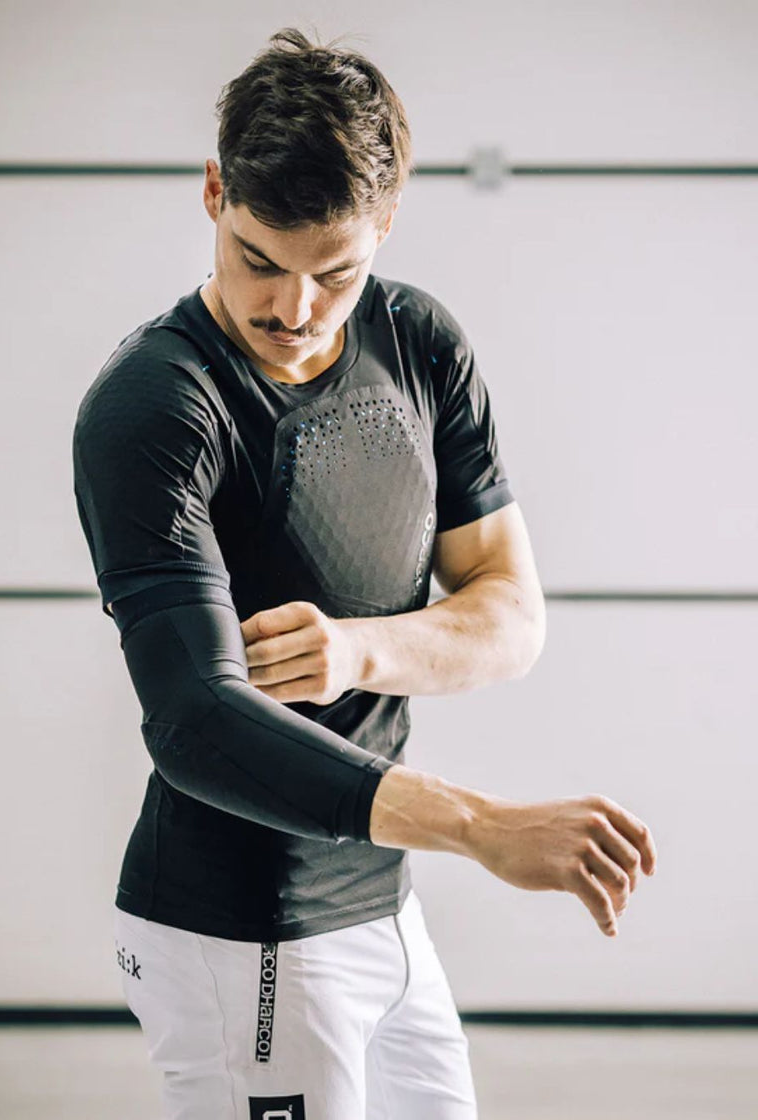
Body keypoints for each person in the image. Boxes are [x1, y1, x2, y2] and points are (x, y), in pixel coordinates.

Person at [72, 26, 658, 1120]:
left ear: (385, 224)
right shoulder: (157, 406)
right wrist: (481, 826)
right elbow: (194, 719)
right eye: (259, 260)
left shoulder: (420, 344)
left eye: (334, 272)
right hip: (236, 930)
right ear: (214, 194)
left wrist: (357, 649)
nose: (292, 310)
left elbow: (510, 614)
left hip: (383, 910)